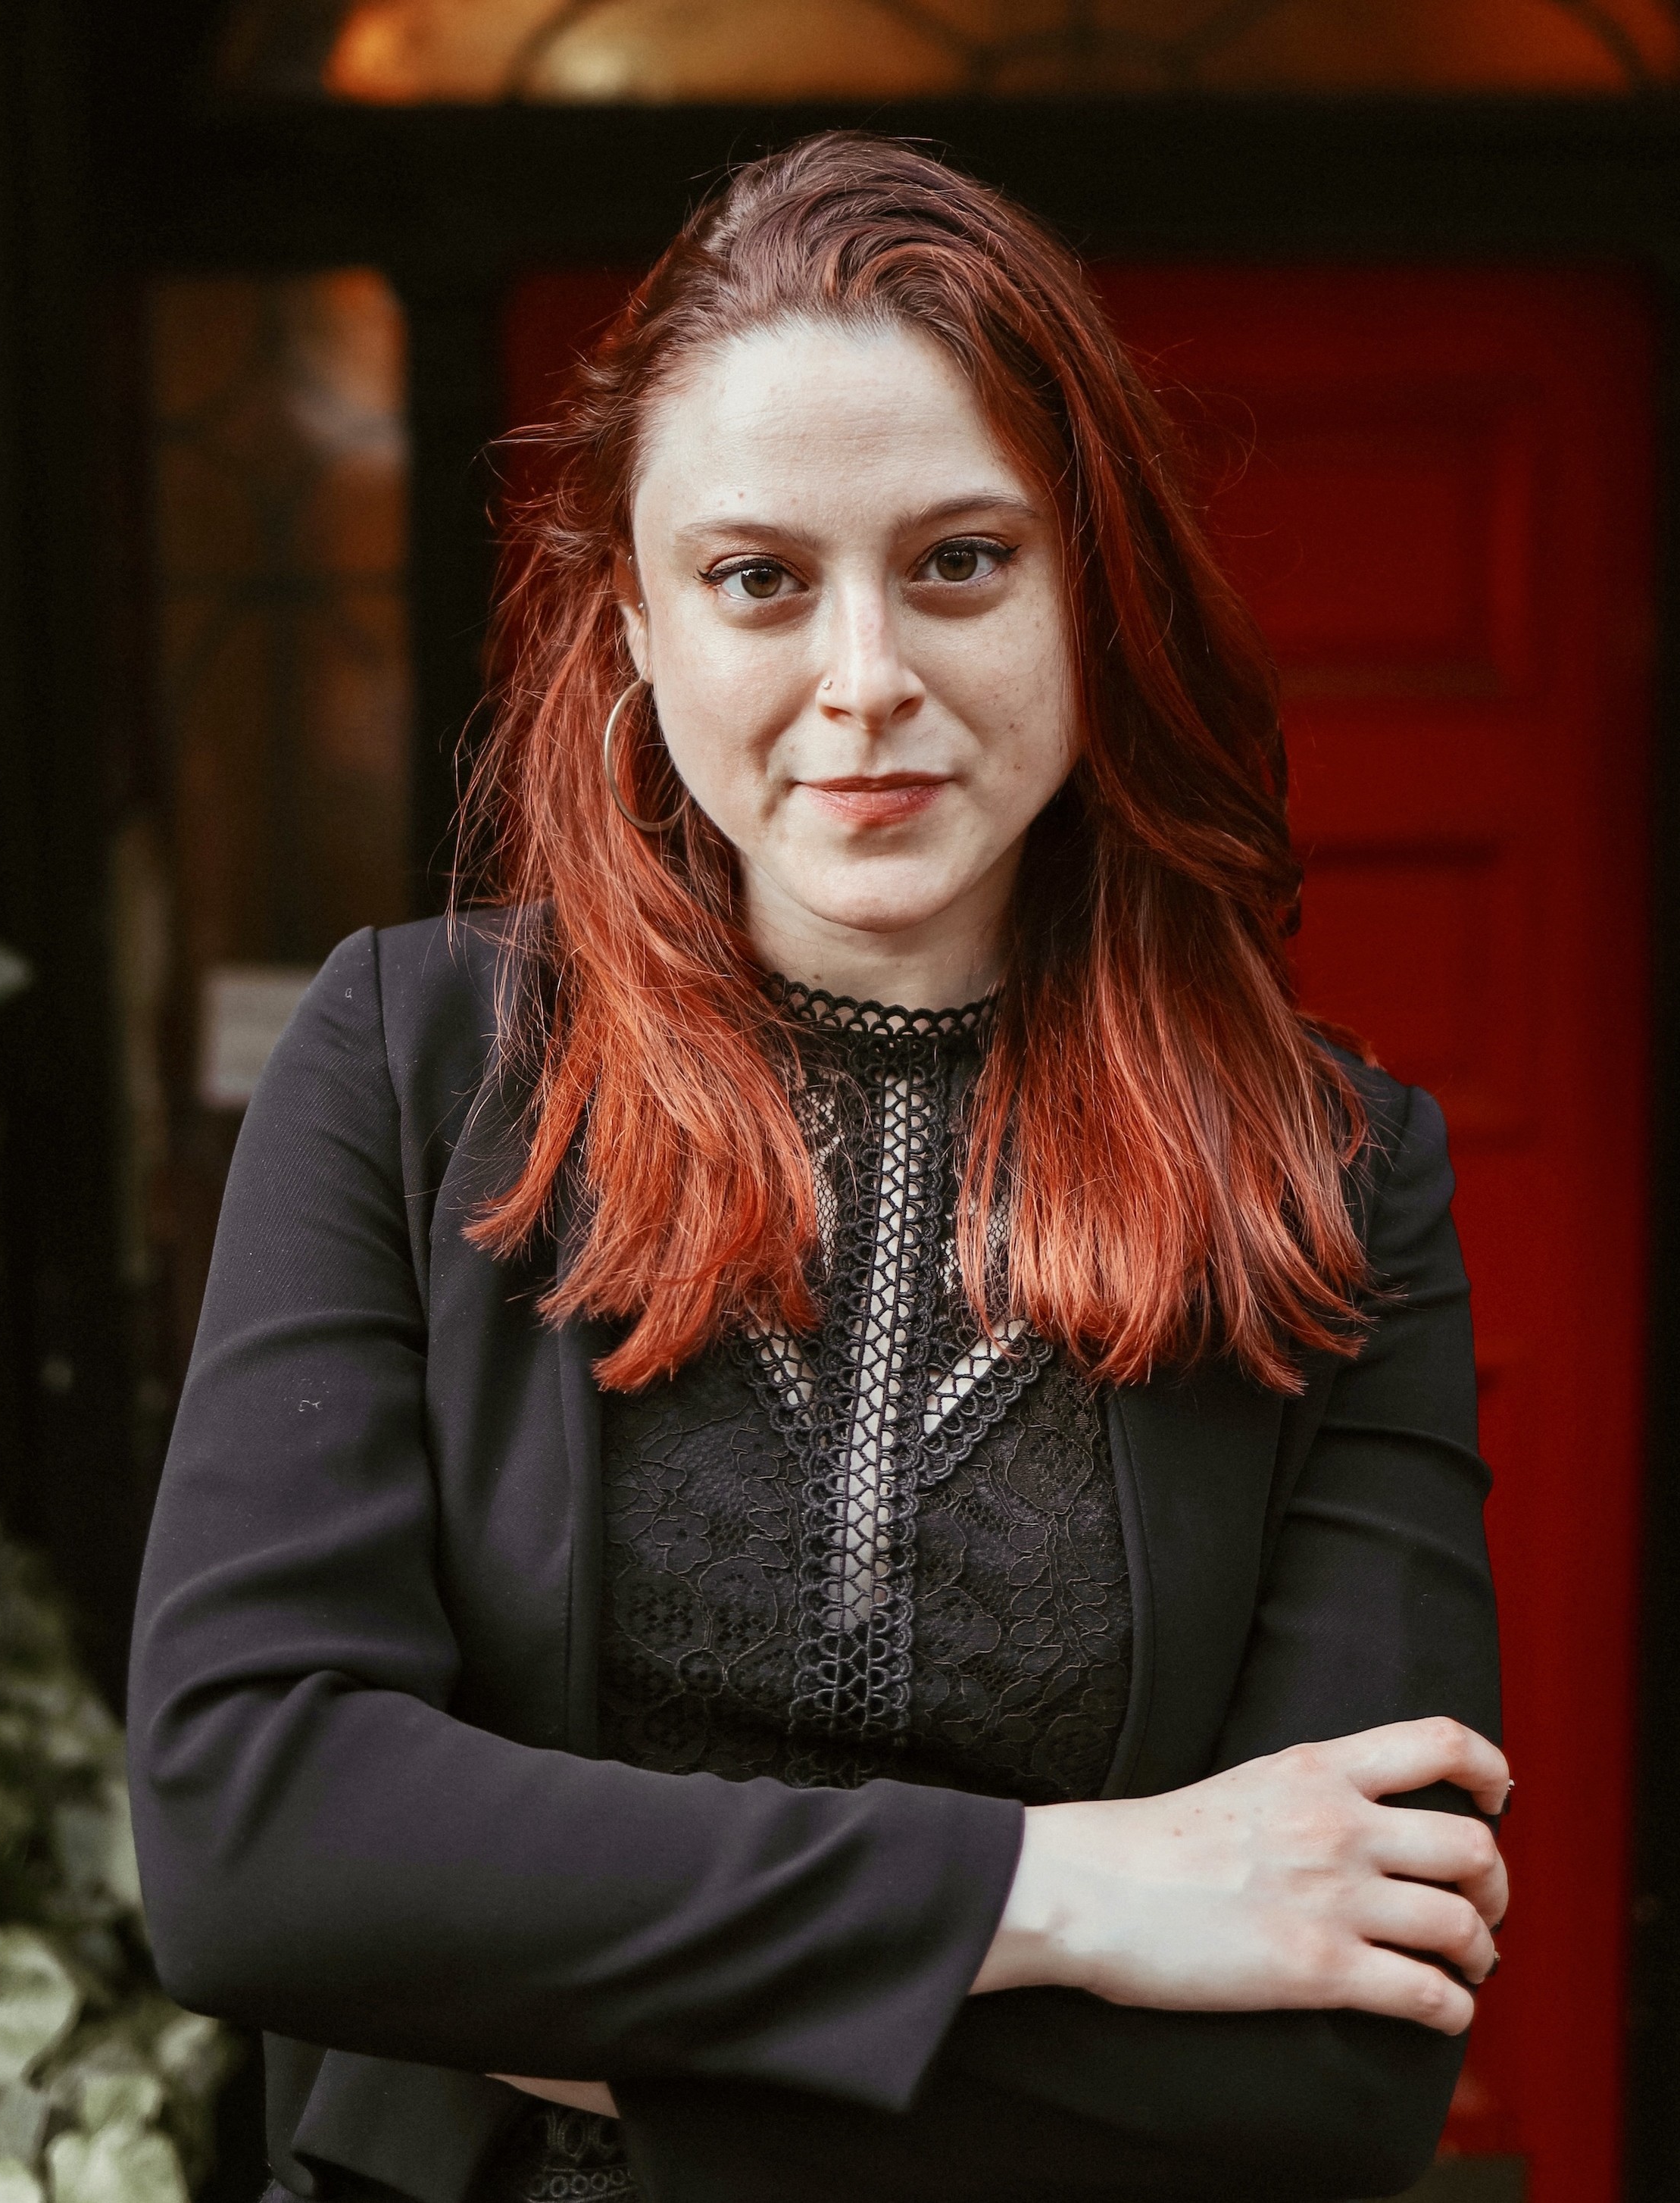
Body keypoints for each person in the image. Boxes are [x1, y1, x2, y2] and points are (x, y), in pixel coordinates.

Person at [126, 133, 1507, 2203]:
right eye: (760, 576)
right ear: (636, 631)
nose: (865, 681)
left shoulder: (1331, 1176)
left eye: (960, 559)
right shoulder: (414, 1067)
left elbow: (1334, 2058)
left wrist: (566, 2033)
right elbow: (255, 1841)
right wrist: (1071, 1889)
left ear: (1092, 590)